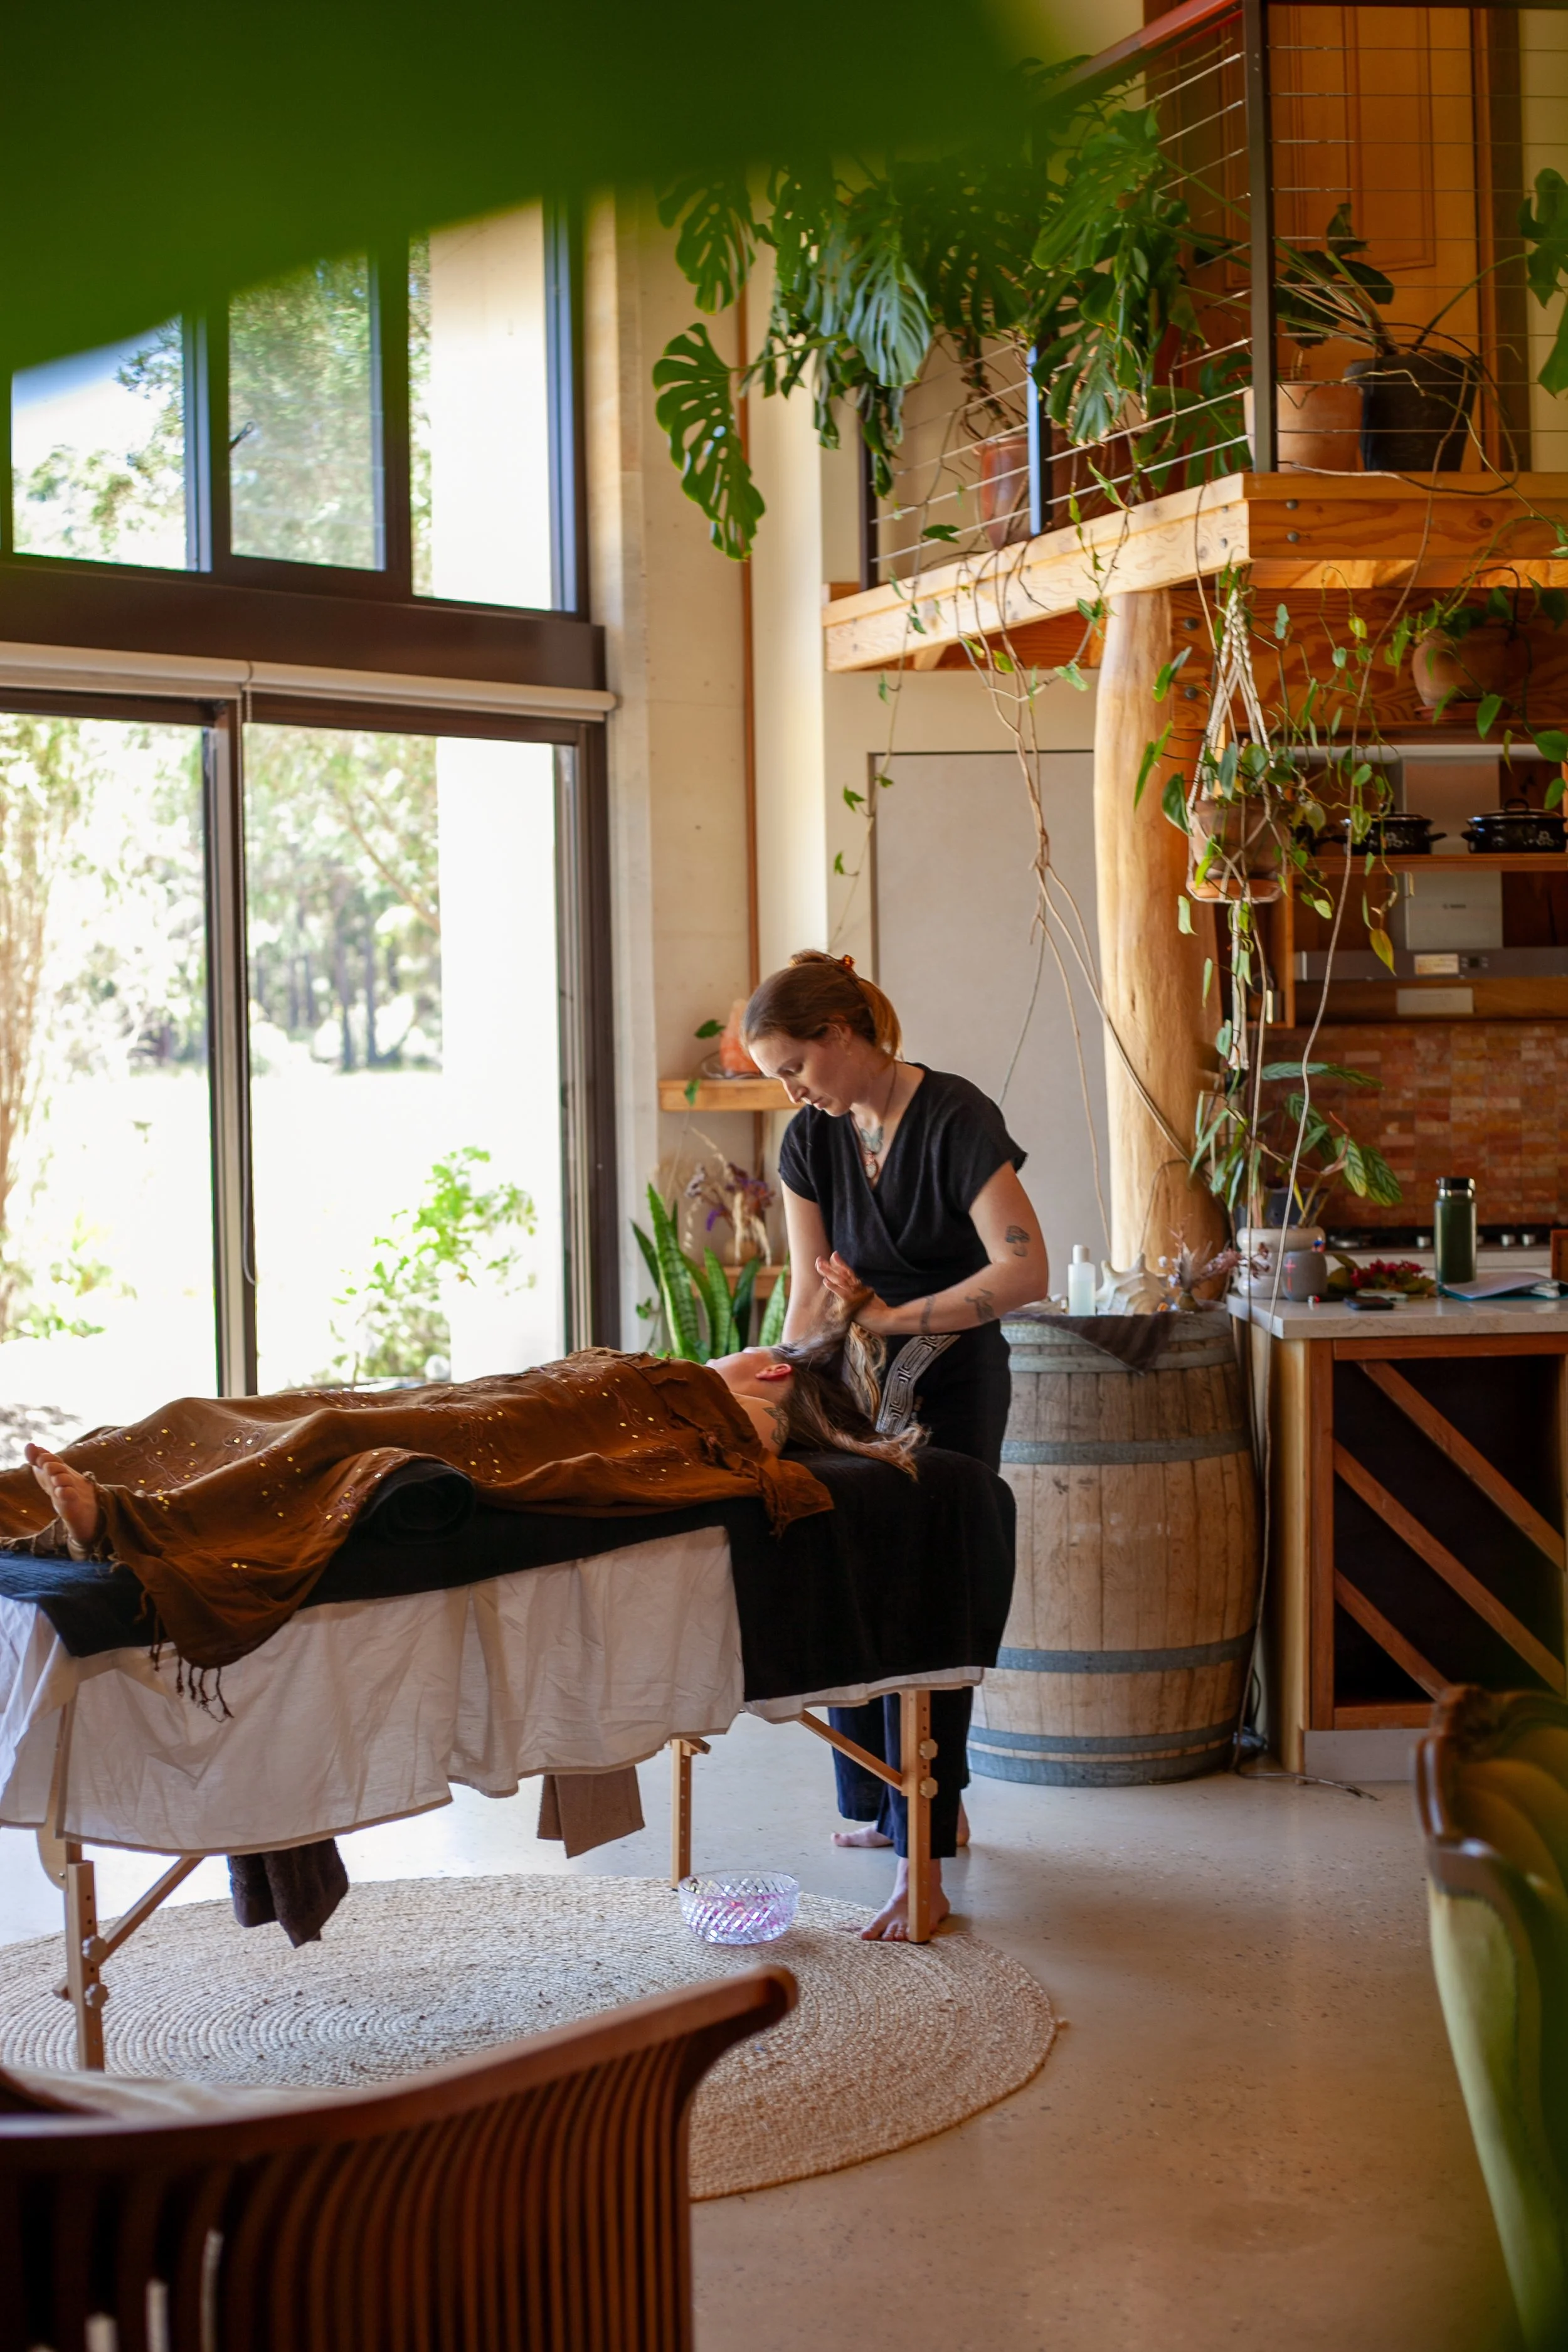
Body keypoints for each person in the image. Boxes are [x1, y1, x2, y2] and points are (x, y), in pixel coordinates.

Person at [743, 948, 1048, 1940]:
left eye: (795, 1065)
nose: (792, 1090)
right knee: (852, 1576)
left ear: (841, 1035)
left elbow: (1025, 1266)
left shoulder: (955, 1117)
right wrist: (774, 1381)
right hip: (850, 1386)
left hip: (952, 1385)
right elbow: (804, 1294)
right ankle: (897, 1801)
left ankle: (928, 1853)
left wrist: (904, 1315)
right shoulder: (810, 1142)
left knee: (931, 1600)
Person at [13, 1339, 920, 1668]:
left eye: (752, 1348)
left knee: (325, 1441)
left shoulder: (741, 1403)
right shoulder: (703, 1384)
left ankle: (123, 1519)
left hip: (512, 1427)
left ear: (771, 1369)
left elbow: (737, 1455)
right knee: (223, 1415)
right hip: (487, 1397)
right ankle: (29, 1495)